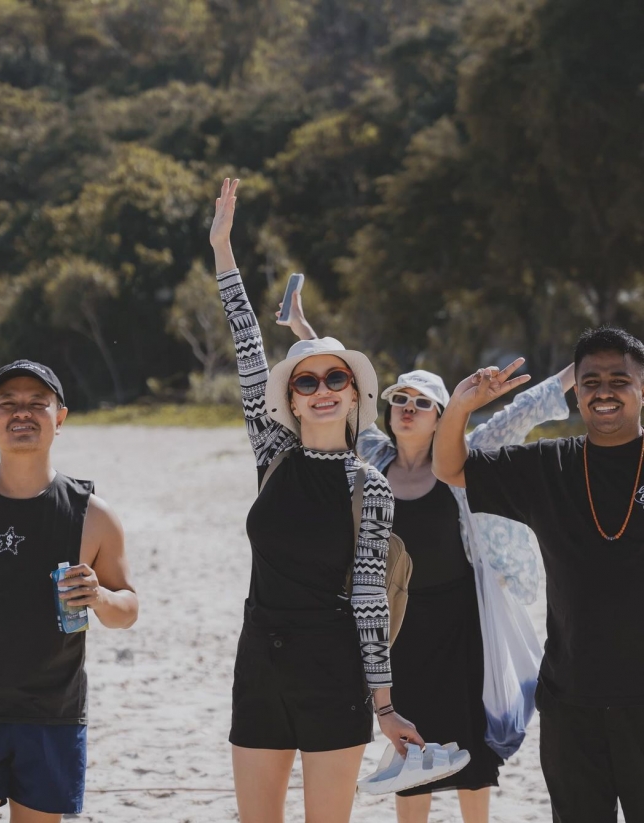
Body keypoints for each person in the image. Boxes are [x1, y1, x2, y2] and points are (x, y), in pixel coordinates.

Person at [279, 290, 574, 823]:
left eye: (422, 403)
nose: (408, 409)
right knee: (410, 747)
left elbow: (523, 412)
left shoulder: (467, 455)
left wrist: (587, 365)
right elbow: (338, 380)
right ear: (388, 411)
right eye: (401, 400)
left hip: (463, 620)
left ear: (441, 418)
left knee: (471, 743)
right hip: (399, 624)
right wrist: (303, 328)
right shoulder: (370, 453)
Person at [210, 178, 426, 823]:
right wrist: (223, 248)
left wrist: (383, 703)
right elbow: (248, 345)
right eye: (307, 381)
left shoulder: (370, 484)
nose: (323, 389)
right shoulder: (272, 453)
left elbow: (368, 595)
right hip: (259, 661)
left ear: (355, 393)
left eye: (337, 378)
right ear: (292, 398)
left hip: (333, 670)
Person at [432, 326, 644, 823]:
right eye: (591, 381)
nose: (605, 391)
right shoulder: (551, 465)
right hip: (571, 704)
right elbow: (450, 467)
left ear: (643, 387)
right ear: (578, 392)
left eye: (620, 379)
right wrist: (462, 406)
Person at [0, 360, 139, 823]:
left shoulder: (92, 515)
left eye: (37, 404)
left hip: (52, 712)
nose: (21, 413)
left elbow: (127, 609)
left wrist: (98, 597)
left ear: (61, 418)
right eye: (7, 404)